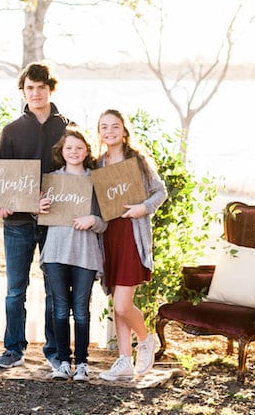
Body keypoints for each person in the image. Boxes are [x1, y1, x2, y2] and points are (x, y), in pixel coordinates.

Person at [0, 62, 70, 371]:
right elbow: (4, 181)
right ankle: (13, 348)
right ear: (23, 91)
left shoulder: (67, 128)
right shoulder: (11, 131)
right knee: (15, 289)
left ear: (50, 88)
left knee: (55, 288)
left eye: (41, 87)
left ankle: (55, 351)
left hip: (55, 221)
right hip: (18, 224)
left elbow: (73, 173)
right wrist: (3, 202)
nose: (35, 93)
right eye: (29, 88)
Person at [95, 109, 167, 381]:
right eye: (104, 127)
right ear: (99, 133)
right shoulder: (98, 164)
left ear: (124, 131)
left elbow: (161, 192)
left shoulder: (137, 161)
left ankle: (146, 339)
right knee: (117, 304)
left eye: (115, 126)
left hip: (132, 237)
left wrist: (142, 208)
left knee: (124, 306)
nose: (109, 131)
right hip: (109, 238)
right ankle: (125, 360)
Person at [38, 126, 107, 382]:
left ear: (87, 151)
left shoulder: (95, 181)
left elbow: (105, 222)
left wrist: (93, 220)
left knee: (80, 310)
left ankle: (82, 364)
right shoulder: (52, 180)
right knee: (59, 309)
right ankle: (63, 362)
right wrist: (39, 207)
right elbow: (40, 216)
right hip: (56, 251)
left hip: (85, 253)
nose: (74, 152)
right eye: (69, 148)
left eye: (79, 147)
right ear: (61, 151)